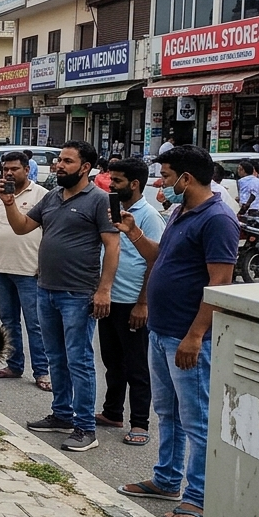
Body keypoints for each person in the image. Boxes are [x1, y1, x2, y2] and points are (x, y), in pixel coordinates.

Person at [115, 145, 239, 517]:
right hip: (161, 331)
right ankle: (167, 478)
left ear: (186, 178)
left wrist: (196, 335)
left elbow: (220, 284)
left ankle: (197, 497)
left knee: (196, 419)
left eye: (167, 176)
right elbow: (160, 258)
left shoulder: (218, 219)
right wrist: (135, 234)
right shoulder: (180, 211)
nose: (161, 183)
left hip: (187, 337)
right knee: (167, 412)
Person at [0, 140, 120, 453]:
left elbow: (112, 246)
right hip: (46, 289)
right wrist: (10, 202)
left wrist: (104, 289)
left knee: (79, 360)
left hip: (79, 294)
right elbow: (23, 227)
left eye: (67, 161)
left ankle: (85, 428)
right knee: (56, 357)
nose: (59, 166)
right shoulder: (53, 197)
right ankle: (62, 414)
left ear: (85, 167)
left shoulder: (98, 200)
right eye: (60, 161)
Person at [95, 157, 163, 448]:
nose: (111, 185)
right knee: (112, 361)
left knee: (136, 366)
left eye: (118, 181)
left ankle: (140, 423)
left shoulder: (148, 216)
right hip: (110, 298)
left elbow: (155, 261)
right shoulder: (116, 212)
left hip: (132, 302)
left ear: (134, 184)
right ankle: (112, 412)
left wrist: (143, 304)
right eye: (111, 179)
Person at [0, 151, 50, 391]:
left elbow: (49, 233)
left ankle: (42, 372)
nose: (10, 173)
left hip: (30, 271)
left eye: (15, 169)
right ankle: (13, 365)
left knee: (35, 324)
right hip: (1, 269)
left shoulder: (42, 195)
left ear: (26, 170)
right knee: (8, 322)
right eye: (6, 170)